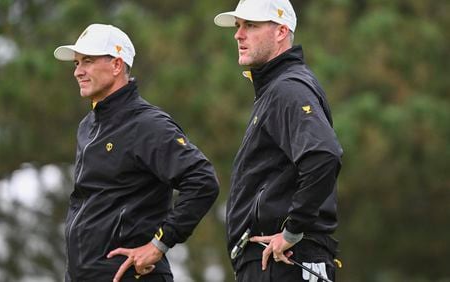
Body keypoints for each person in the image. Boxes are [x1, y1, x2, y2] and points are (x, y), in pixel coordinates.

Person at [53, 23, 219, 282]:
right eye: (76, 63)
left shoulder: (147, 124)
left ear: (117, 65)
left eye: (87, 61)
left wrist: (158, 245)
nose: (78, 72)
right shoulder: (87, 126)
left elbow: (202, 181)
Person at [214, 0, 343, 281]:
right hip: (271, 263)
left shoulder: (288, 88)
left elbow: (323, 155)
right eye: (238, 26)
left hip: (288, 260)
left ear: (281, 32)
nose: (238, 34)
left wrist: (292, 231)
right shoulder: (274, 90)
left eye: (251, 25)